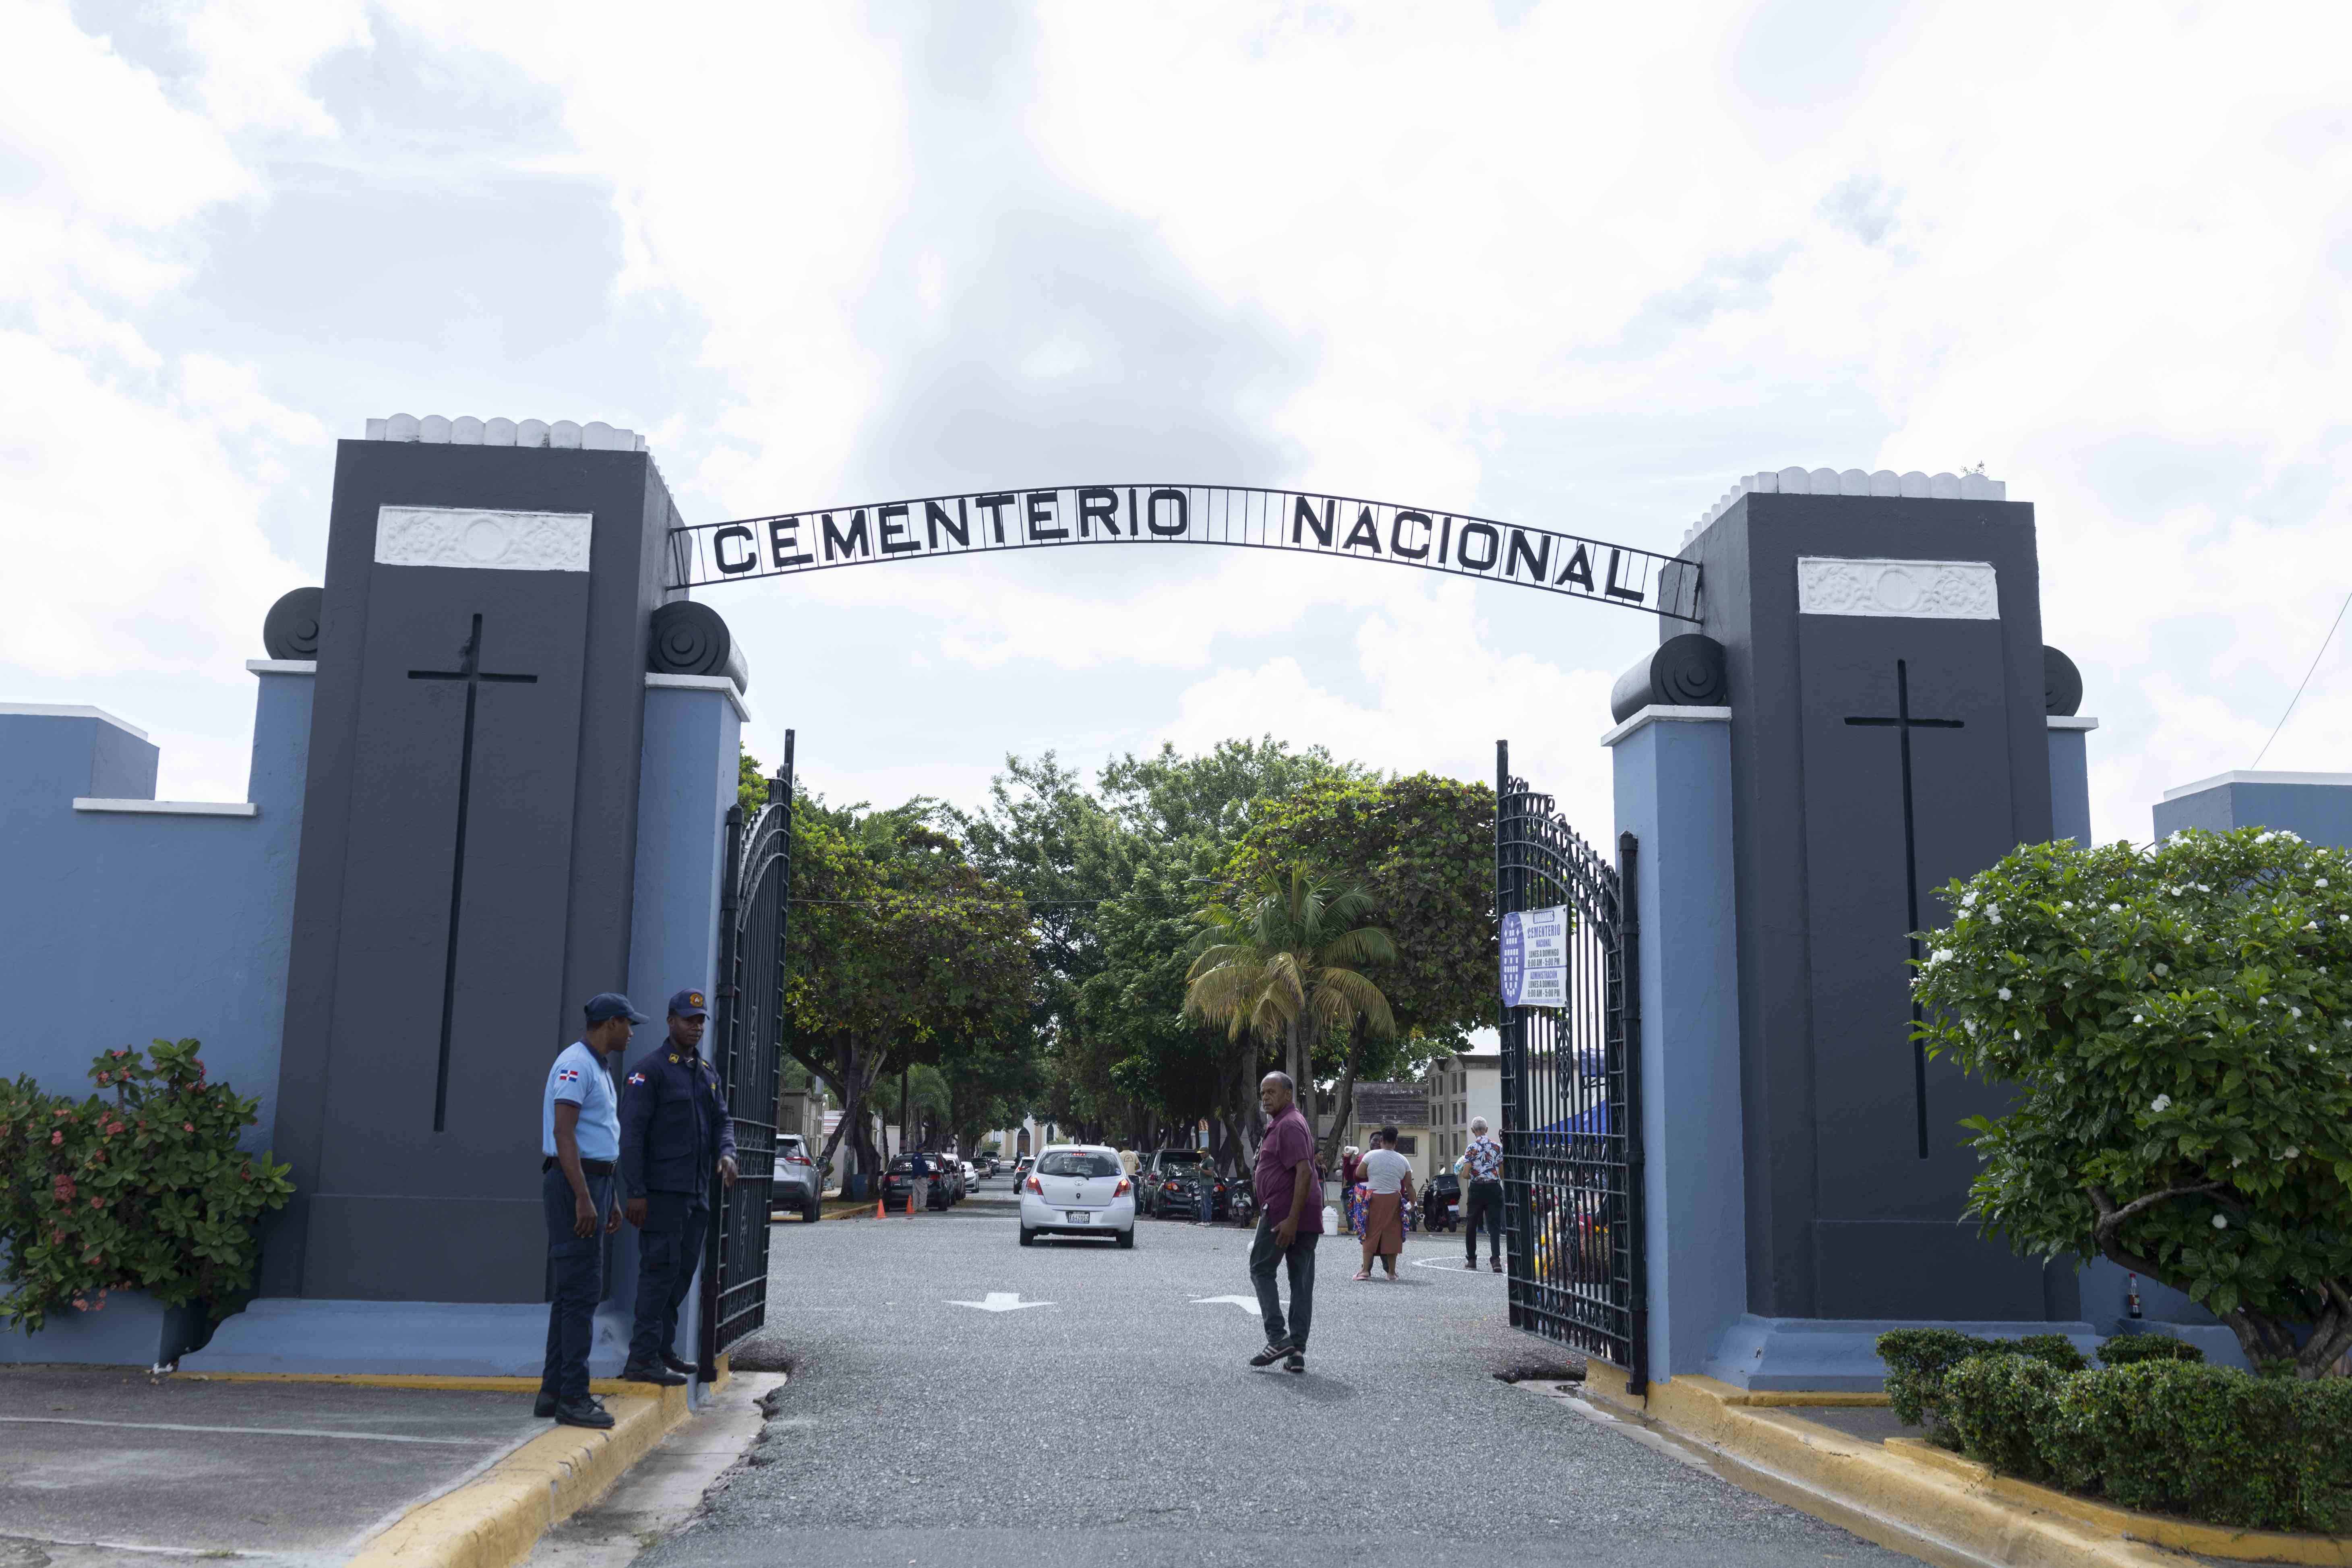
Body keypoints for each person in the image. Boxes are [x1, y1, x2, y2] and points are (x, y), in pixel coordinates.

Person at [618, 989, 738, 1385]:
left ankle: (662, 1350)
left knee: (681, 1274)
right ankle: (641, 1360)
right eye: (689, 1019)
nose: (696, 1026)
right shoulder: (649, 1071)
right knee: (658, 1272)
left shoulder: (705, 1073)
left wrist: (727, 1153)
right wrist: (635, 1192)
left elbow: (723, 1121)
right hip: (661, 1194)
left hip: (697, 1192)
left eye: (701, 1020)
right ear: (671, 1021)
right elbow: (632, 1137)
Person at [538, 992, 642, 1428]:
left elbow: (598, 1137)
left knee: (572, 1295)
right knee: (581, 1294)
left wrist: (608, 1196)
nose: (632, 1033)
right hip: (573, 1184)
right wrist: (583, 1196)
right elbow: (565, 1133)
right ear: (610, 1024)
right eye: (628, 1024)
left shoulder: (598, 1066)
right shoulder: (576, 1064)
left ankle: (555, 1391)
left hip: (594, 1182)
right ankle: (574, 1398)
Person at [1246, 1071, 1321, 1375]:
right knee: (1300, 1282)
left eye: (1272, 1092)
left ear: (1288, 1094)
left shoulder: (1289, 1124)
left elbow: (1304, 1172)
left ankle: (1278, 1337)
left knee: (1261, 1268)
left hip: (1285, 1214)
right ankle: (1296, 1351)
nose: (1265, 1098)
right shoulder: (1283, 1122)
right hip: (1296, 1212)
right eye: (1263, 1092)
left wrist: (1290, 1219)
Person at [1352, 1126, 1416, 1281]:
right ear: (1396, 1142)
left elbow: (1358, 1174)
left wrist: (1375, 1173)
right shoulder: (1403, 1160)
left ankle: (1365, 1271)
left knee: (1370, 1233)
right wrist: (1413, 1204)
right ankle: (1392, 1273)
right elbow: (1409, 1185)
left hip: (1374, 1197)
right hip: (1394, 1198)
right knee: (1393, 1234)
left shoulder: (1371, 1156)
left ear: (1381, 1140)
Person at [1462, 1115, 1504, 1272]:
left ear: (1473, 1131)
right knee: (1494, 1225)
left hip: (1477, 1189)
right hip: (1494, 1188)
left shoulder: (1472, 1148)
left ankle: (1472, 1260)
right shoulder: (1498, 1147)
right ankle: (1496, 1261)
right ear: (1486, 1130)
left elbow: (1466, 1174)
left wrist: (1468, 1173)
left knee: (1472, 1224)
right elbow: (1502, 1173)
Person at [1337, 1144, 1361, 1235]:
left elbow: (1347, 1177)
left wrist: (1347, 1158)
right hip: (1348, 1192)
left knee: (1349, 1212)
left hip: (1349, 1191)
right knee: (1349, 1211)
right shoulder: (1349, 1166)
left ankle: (1352, 1229)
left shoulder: (1354, 1167)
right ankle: (1353, 1229)